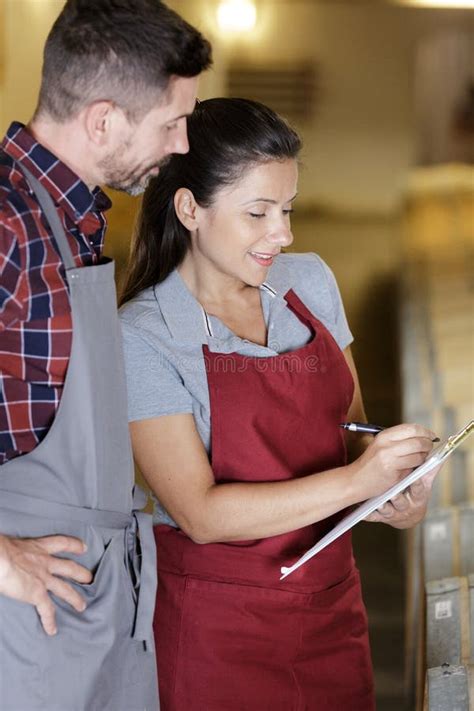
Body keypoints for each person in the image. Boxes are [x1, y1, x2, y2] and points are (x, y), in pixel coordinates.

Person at [119, 98, 440, 711]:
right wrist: (357, 481)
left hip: (330, 610)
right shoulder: (142, 335)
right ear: (189, 209)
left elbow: (352, 433)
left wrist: (396, 491)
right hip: (216, 632)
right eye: (258, 212)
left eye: (287, 209)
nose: (284, 234)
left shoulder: (310, 281)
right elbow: (201, 515)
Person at [0, 0, 211, 709]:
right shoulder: (6, 227)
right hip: (24, 628)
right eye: (170, 123)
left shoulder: (68, 219)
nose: (183, 144)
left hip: (91, 615)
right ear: (101, 120)